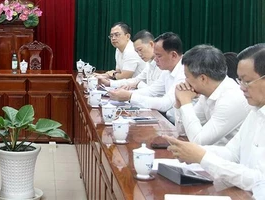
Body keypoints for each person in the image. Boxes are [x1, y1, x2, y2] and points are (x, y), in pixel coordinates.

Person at [165, 43, 265, 191]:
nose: (242, 87)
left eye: (247, 81)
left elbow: (259, 180)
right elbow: (232, 153)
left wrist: (202, 156)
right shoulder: (255, 111)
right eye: (240, 80)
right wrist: (191, 151)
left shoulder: (234, 98)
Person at [174, 45, 250, 146]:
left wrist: (186, 102)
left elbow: (198, 141)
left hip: (233, 159)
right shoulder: (207, 94)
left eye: (187, 76)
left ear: (203, 79)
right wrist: (179, 103)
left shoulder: (231, 98)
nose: (185, 81)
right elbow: (183, 132)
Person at [108, 32, 185, 120]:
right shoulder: (167, 70)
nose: (155, 59)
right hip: (169, 120)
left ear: (173, 55)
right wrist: (126, 94)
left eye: (159, 56)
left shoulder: (184, 72)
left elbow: (165, 104)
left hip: (178, 124)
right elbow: (151, 91)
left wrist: (130, 96)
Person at [97, 30, 162, 89]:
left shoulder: (164, 64)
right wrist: (109, 83)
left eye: (140, 50)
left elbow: (156, 91)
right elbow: (136, 80)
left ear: (151, 44)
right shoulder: (149, 64)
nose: (139, 54)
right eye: (137, 52)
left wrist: (138, 85)